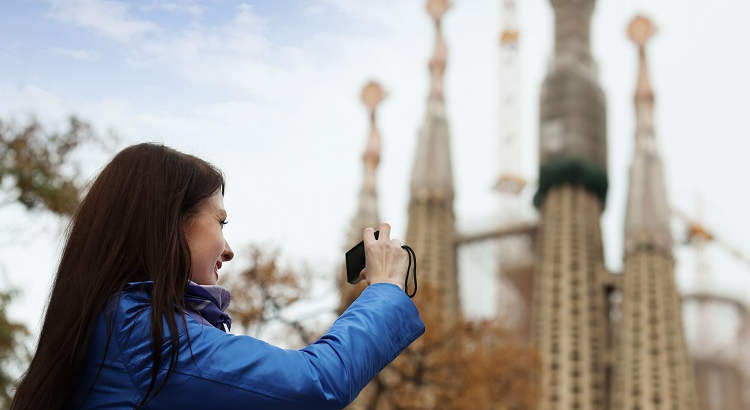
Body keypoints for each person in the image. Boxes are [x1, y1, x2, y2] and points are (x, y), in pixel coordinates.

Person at [11, 143, 424, 410]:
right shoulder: (144, 333)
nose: (229, 249)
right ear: (170, 223)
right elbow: (313, 385)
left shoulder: (116, 324)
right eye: (220, 222)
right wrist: (385, 290)